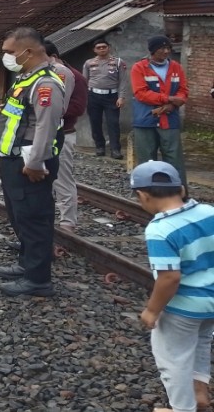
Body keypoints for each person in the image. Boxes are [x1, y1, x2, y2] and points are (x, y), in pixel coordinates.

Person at [132, 160, 214, 412]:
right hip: (210, 302)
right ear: (180, 189)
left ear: (143, 195)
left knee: (173, 360)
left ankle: (181, 408)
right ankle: (200, 395)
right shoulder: (209, 212)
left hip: (183, 307)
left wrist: (153, 310)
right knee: (200, 342)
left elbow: (169, 278)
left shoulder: (160, 230)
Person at [0, 27, 65, 297]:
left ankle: (38, 280)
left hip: (29, 164)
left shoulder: (45, 84)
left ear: (28, 51)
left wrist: (36, 163)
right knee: (20, 216)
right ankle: (26, 264)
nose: (6, 57)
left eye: (10, 52)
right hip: (13, 158)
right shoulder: (26, 78)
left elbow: (46, 127)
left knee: (34, 219)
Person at [131, 36, 189, 189]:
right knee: (147, 160)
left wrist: (177, 102)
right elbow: (140, 93)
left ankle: (180, 193)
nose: (166, 51)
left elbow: (183, 90)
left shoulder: (176, 67)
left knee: (174, 159)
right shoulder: (139, 67)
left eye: (168, 48)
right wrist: (168, 99)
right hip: (145, 120)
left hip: (170, 121)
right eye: (161, 48)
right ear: (152, 51)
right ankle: (148, 194)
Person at [45, 41, 88, 231]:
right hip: (39, 134)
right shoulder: (39, 75)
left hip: (63, 133)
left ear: (53, 56)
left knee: (62, 178)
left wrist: (46, 111)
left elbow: (78, 108)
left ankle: (68, 221)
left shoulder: (75, 78)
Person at [82, 38, 129, 159]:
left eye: (104, 47)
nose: (102, 49)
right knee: (95, 122)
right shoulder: (89, 63)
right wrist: (84, 97)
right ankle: (100, 147)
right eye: (99, 47)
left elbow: (123, 81)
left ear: (109, 47)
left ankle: (115, 150)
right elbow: (84, 81)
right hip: (93, 96)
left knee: (113, 123)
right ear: (94, 50)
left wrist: (121, 97)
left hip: (111, 96)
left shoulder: (118, 62)